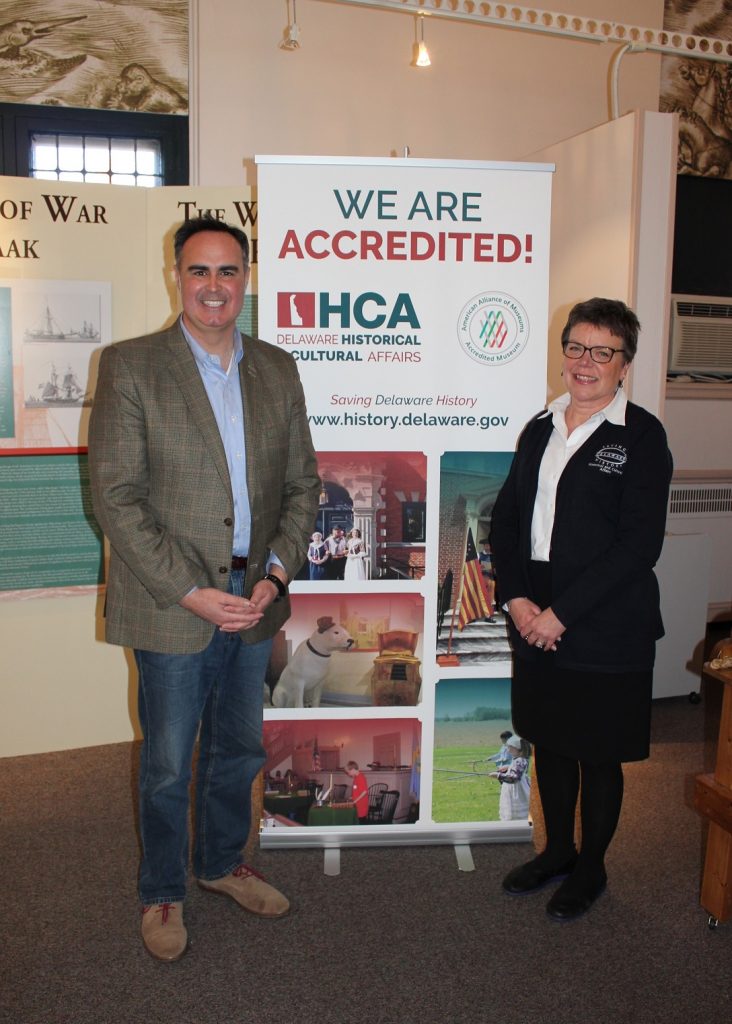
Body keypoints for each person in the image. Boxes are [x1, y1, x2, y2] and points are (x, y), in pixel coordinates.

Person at [88, 215, 320, 961]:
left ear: (245, 279)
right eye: (199, 271)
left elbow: (302, 486)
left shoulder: (277, 368)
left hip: (254, 600)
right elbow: (116, 497)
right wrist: (192, 591)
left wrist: (276, 575)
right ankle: (162, 891)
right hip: (174, 605)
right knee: (167, 761)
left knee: (240, 750)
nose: (213, 287)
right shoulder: (131, 366)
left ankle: (222, 864)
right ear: (175, 276)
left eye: (227, 272)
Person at [490, 297, 672, 922]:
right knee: (551, 742)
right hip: (534, 608)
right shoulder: (540, 427)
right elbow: (509, 520)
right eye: (576, 347)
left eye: (603, 352)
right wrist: (517, 599)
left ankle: (591, 866)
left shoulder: (642, 436)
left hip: (605, 618)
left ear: (625, 365)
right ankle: (558, 851)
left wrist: (559, 615)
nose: (585, 362)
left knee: (598, 751)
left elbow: (638, 545)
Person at [489, 735, 531, 821]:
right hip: (516, 788)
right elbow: (517, 769)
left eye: (511, 747)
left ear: (519, 749)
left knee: (517, 815)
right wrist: (509, 767)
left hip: (517, 791)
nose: (508, 750)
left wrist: (498, 775)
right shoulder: (520, 759)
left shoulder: (520, 760)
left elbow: (514, 778)